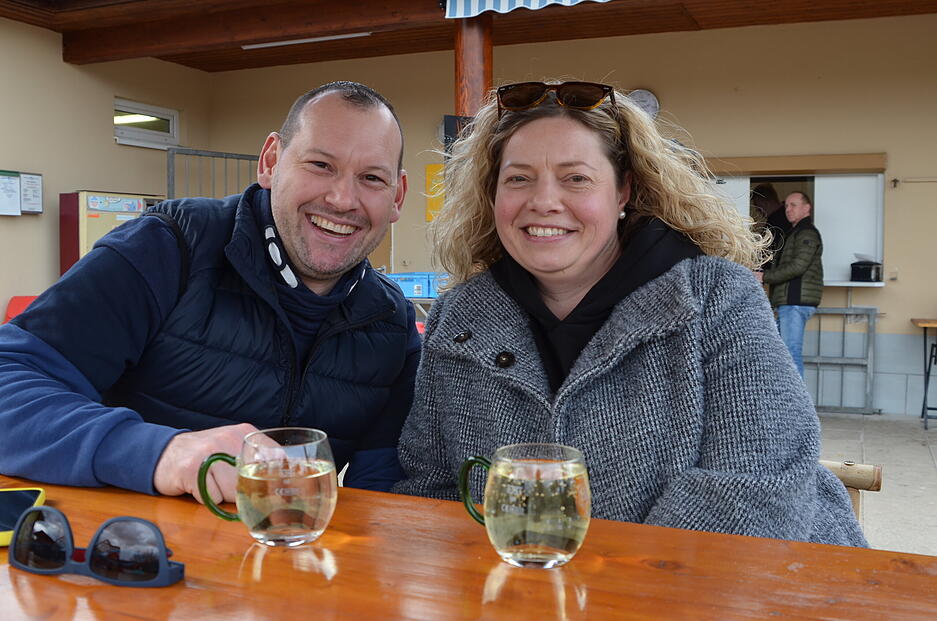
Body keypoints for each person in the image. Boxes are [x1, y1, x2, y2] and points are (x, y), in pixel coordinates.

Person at [392, 81, 864, 546]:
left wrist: (608, 594)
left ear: (623, 193)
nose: (544, 201)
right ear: (492, 193)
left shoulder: (716, 298)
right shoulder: (459, 318)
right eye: (518, 178)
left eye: (576, 178)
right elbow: (430, 487)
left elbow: (758, 491)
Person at [0, 81, 421, 503]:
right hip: (128, 554)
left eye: (371, 178)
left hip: (284, 561)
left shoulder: (391, 324)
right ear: (271, 161)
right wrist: (162, 452)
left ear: (397, 196)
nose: (342, 198)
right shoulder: (168, 248)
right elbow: (10, 382)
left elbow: (381, 497)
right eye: (320, 165)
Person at [760, 191, 823, 378]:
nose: (788, 210)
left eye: (793, 205)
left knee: (790, 354)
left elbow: (797, 266)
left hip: (795, 302)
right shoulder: (795, 232)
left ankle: (796, 406)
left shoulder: (807, 233)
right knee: (784, 354)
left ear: (807, 208)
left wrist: (764, 276)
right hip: (789, 302)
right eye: (786, 205)